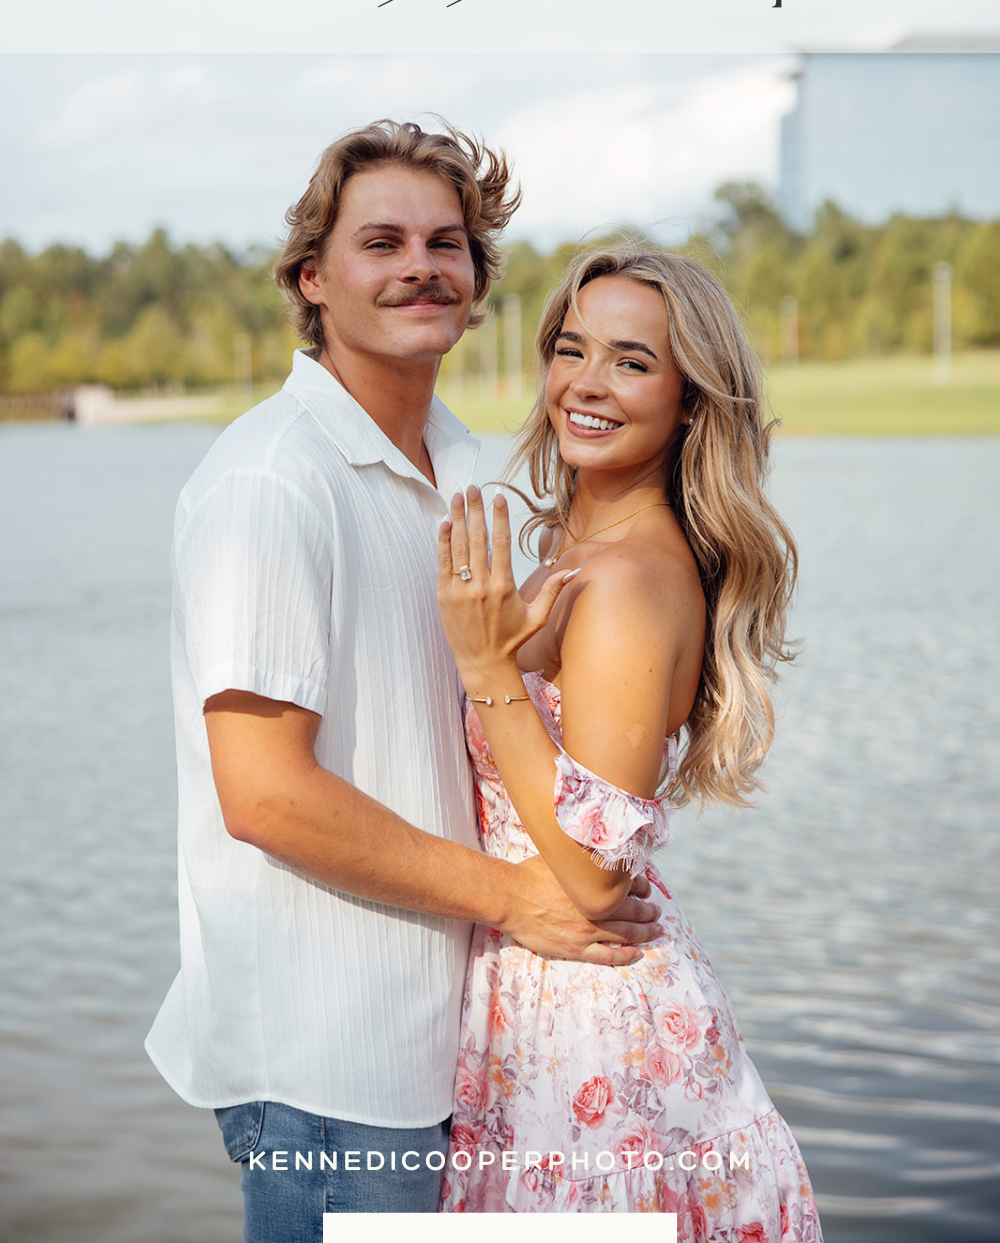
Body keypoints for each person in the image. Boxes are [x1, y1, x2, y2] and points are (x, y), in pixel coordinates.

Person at [144, 122, 660, 1236]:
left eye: (447, 243)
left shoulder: (468, 468)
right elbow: (265, 795)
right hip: (332, 1063)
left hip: (464, 1046)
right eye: (380, 241)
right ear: (311, 280)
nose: (420, 265)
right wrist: (518, 901)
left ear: (477, 286)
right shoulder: (271, 483)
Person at [435, 241, 825, 1237]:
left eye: (632, 360)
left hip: (587, 1024)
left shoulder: (624, 582)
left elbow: (599, 875)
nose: (586, 384)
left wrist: (486, 672)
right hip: (540, 992)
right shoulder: (585, 547)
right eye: (571, 349)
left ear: (691, 399)